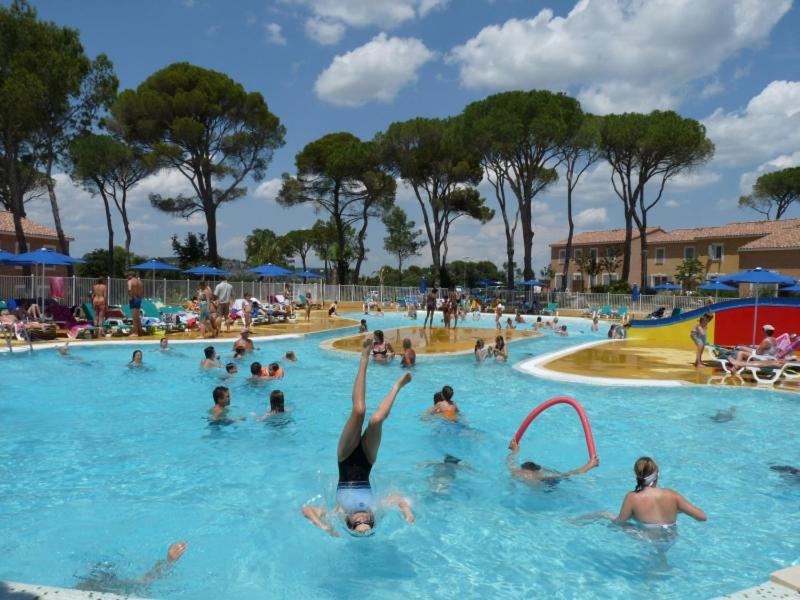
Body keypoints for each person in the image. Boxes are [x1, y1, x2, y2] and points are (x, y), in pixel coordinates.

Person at [302, 340, 414, 536]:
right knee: (376, 420)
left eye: (356, 524)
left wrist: (326, 527)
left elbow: (306, 510)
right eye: (367, 523)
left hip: (345, 458)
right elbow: (397, 498)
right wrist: (406, 511)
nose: (361, 519)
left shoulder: (337, 513)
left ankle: (363, 358)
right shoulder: (376, 508)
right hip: (367, 462)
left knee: (359, 410)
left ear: (349, 523)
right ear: (372, 520)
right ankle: (397, 387)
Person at [593, 457, 706, 549]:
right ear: (657, 475)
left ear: (637, 476)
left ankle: (578, 521)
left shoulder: (632, 498)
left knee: (605, 514)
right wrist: (678, 509)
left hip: (647, 539)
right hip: (671, 539)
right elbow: (702, 517)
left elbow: (620, 522)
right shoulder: (671, 494)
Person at [75, 542, 187, 595]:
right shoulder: (84, 588)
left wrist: (170, 560)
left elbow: (148, 578)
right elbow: (149, 577)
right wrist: (170, 561)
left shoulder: (117, 586)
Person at [507, 438, 598, 485]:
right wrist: (590, 465)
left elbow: (510, 460)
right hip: (547, 489)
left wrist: (515, 450)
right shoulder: (540, 475)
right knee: (563, 477)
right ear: (537, 469)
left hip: (535, 488)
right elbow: (569, 474)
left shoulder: (516, 472)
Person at [127, 272, 144, 336]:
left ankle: (135, 333)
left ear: (131, 275)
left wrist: (131, 297)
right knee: (137, 316)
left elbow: (129, 289)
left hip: (133, 299)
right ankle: (140, 331)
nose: (128, 277)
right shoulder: (140, 282)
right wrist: (139, 296)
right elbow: (142, 290)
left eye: (128, 276)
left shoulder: (130, 281)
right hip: (139, 299)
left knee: (134, 317)